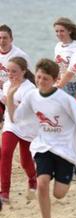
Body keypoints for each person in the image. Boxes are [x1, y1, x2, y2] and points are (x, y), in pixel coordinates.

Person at [6, 58, 76, 218]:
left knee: (59, 194)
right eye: (38, 77)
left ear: (54, 79)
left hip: (65, 149)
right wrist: (10, 96)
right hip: (43, 146)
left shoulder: (64, 99)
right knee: (42, 182)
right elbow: (15, 118)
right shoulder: (31, 96)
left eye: (45, 78)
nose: (41, 81)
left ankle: (73, 168)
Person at [0, 57, 36, 203]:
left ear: (24, 71)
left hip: (27, 126)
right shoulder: (7, 84)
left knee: (26, 162)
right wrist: (6, 98)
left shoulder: (30, 89)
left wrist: (9, 97)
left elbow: (18, 116)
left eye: (14, 71)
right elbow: (10, 115)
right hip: (11, 125)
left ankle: (33, 179)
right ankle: (4, 193)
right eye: (8, 71)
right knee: (5, 153)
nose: (10, 74)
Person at [0, 24, 31, 120]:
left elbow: (27, 76)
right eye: (0, 38)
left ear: (11, 39)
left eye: (5, 38)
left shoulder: (20, 55)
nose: (2, 41)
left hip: (14, 92)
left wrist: (7, 84)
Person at [53, 17, 76, 97]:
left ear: (69, 31)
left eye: (62, 31)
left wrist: (60, 84)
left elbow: (74, 69)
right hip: (62, 84)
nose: (59, 34)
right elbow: (57, 67)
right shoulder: (57, 46)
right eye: (56, 31)